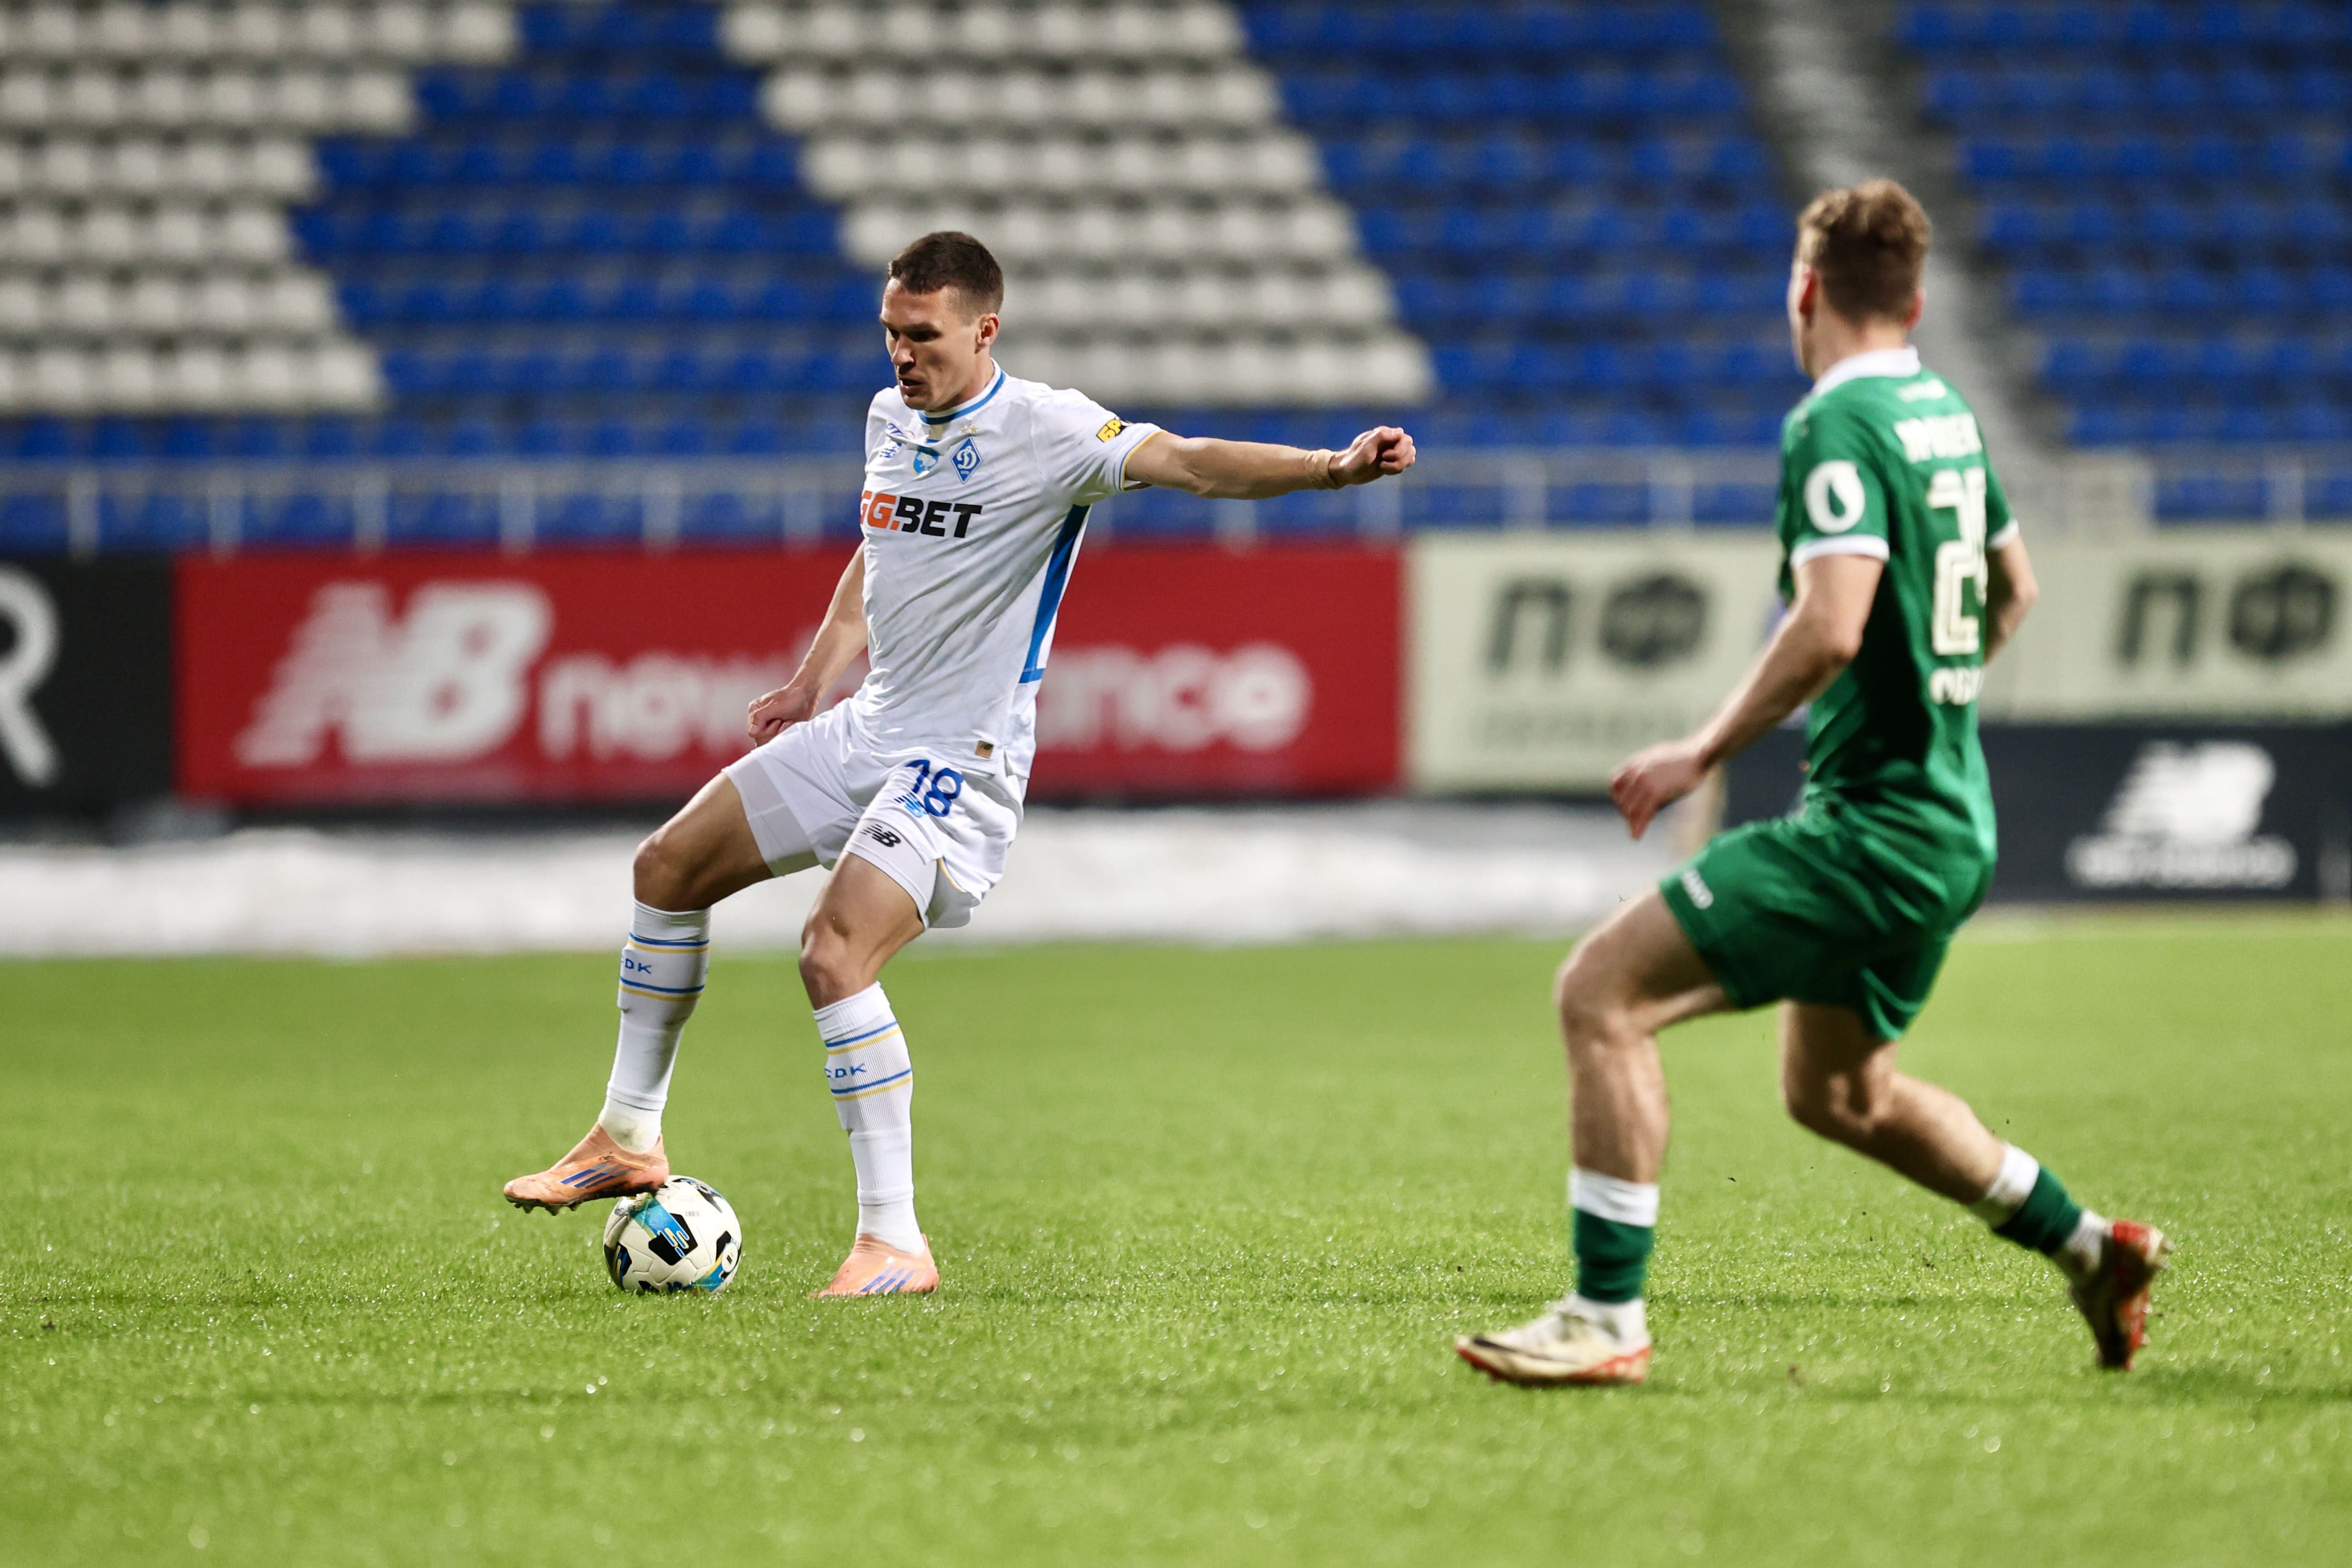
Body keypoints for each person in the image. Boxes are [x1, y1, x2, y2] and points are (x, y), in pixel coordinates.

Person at [502, 231, 1417, 1297]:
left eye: (923, 335)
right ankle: (627, 1135)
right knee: (665, 869)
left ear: (985, 330)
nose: (902, 354)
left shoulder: (1050, 429)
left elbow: (1191, 462)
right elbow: (880, 550)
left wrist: (1331, 467)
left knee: (834, 950)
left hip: (962, 758)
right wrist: (813, 680)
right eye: (891, 332)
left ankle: (894, 1242)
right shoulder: (889, 419)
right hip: (867, 729)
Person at [1454, 180, 2165, 1386]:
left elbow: (1830, 623)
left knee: (1600, 993)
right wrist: (1925, 694)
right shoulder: (1943, 411)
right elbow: (2015, 591)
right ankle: (2095, 1249)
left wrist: (1702, 747)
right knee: (1839, 1093)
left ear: (1804, 292)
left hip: (1873, 831)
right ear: (1917, 302)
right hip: (1950, 820)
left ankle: (1604, 1317)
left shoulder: (1833, 424)